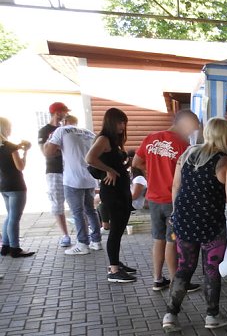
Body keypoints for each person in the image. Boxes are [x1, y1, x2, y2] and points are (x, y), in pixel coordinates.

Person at [162, 117, 227, 332]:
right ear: (225, 136)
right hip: (211, 223)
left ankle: (170, 315)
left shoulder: (187, 154)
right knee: (211, 269)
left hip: (184, 221)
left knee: (184, 267)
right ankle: (212, 316)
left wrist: (176, 211)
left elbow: (175, 187)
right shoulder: (226, 163)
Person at [133, 110, 200, 291]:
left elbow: (136, 162)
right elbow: (188, 175)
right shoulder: (183, 145)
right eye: (192, 128)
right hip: (173, 201)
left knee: (158, 239)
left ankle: (157, 279)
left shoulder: (150, 139)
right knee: (172, 240)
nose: (191, 132)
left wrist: (152, 172)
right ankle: (175, 282)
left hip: (154, 199)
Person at [85, 108, 135, 283]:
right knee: (115, 230)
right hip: (112, 192)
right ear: (111, 122)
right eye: (120, 122)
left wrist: (125, 165)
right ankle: (114, 270)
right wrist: (109, 170)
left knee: (119, 229)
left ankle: (116, 263)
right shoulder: (104, 139)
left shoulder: (114, 141)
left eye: (124, 123)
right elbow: (89, 158)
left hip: (120, 189)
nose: (122, 126)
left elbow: (113, 163)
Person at [43, 118, 103, 256]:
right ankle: (96, 241)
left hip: (73, 179)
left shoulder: (61, 131)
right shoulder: (89, 133)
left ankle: (82, 243)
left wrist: (49, 140)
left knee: (77, 212)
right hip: (90, 177)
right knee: (91, 210)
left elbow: (49, 152)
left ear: (65, 122)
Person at [37, 102, 72, 247]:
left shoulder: (66, 129)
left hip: (70, 170)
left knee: (76, 202)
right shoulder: (44, 131)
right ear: (58, 112)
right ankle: (65, 235)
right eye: (64, 111)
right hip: (54, 171)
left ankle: (83, 233)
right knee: (57, 204)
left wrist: (57, 149)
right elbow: (45, 152)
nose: (66, 114)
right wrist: (58, 150)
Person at [0, 118, 35, 258]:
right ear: (5, 129)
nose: (10, 129)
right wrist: (25, 153)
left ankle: (5, 246)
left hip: (3, 185)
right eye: (9, 127)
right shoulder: (11, 147)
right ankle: (15, 248)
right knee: (14, 218)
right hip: (16, 185)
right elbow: (20, 167)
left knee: (9, 216)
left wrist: (19, 146)